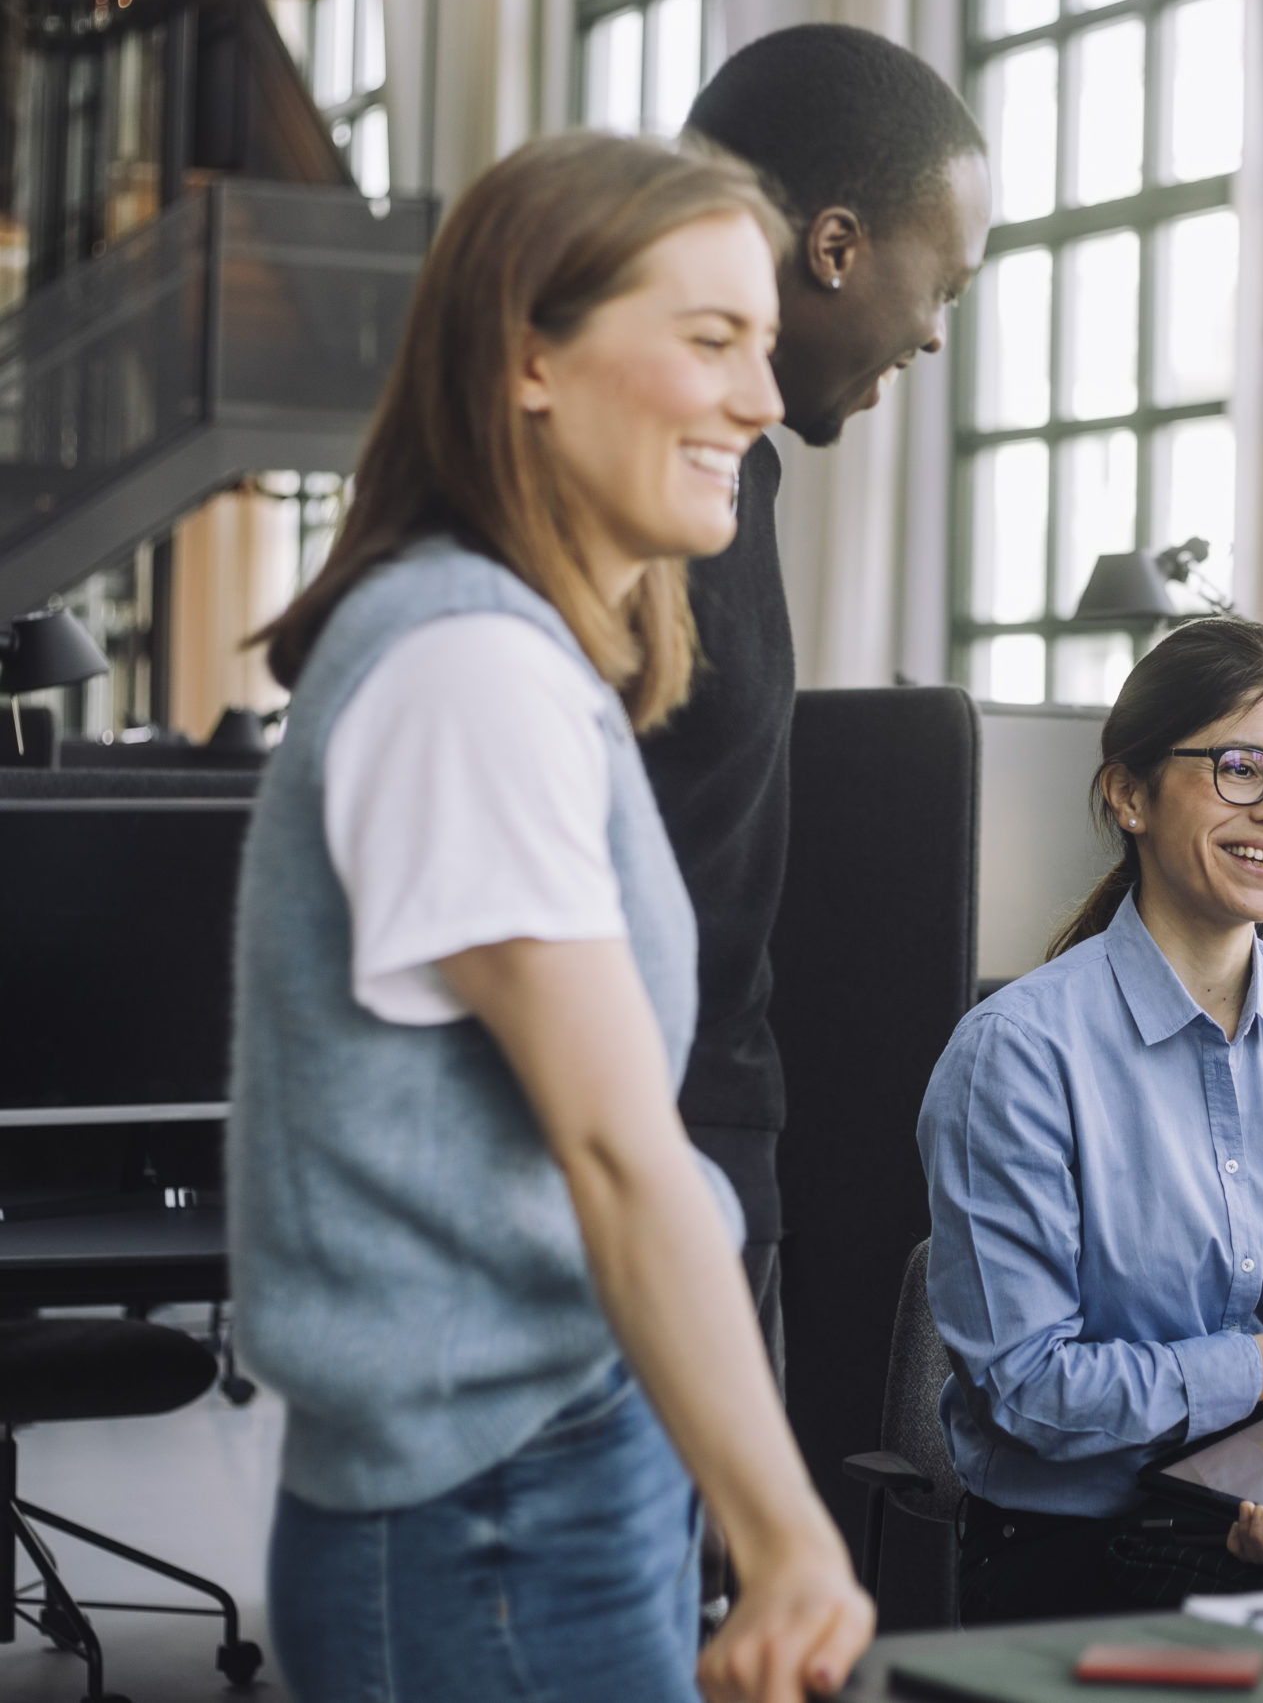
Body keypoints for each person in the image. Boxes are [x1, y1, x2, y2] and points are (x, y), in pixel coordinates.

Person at [229, 135, 869, 1703]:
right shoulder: (469, 673)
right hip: (494, 1507)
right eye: (709, 339)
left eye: (766, 345)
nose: (761, 398)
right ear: (530, 353)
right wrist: (785, 1526)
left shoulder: (515, 658)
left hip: (548, 1465)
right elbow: (612, 1149)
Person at [918, 618, 1263, 1625]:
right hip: (1082, 1555)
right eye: (1242, 769)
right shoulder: (1019, 1056)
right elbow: (1033, 1391)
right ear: (1128, 792)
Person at [645, 26, 992, 1382]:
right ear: (837, 245)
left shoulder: (739, 471)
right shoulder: (647, 478)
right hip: (631, 1157)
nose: (935, 330)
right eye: (942, 280)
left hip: (703, 1134)